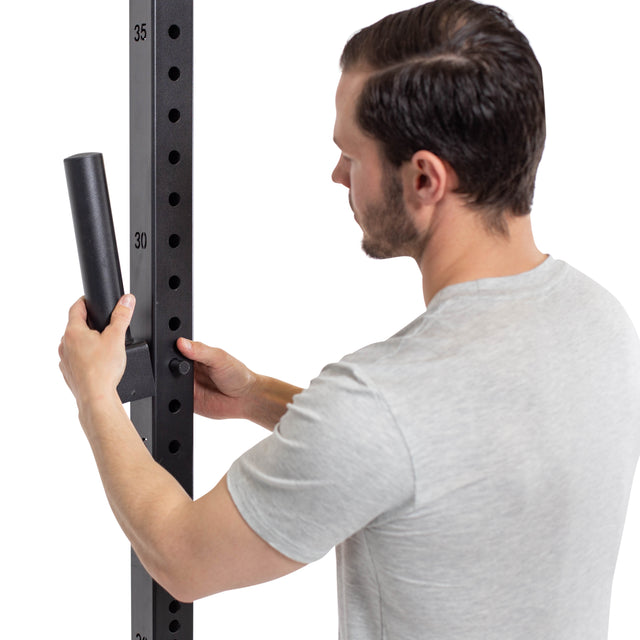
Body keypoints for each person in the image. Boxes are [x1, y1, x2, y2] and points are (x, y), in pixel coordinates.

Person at [59, 0, 640, 638]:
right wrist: (258, 397)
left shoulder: (380, 404)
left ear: (424, 178)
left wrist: (94, 394)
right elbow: (443, 450)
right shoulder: (602, 322)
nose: (337, 174)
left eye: (352, 154)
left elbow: (182, 558)